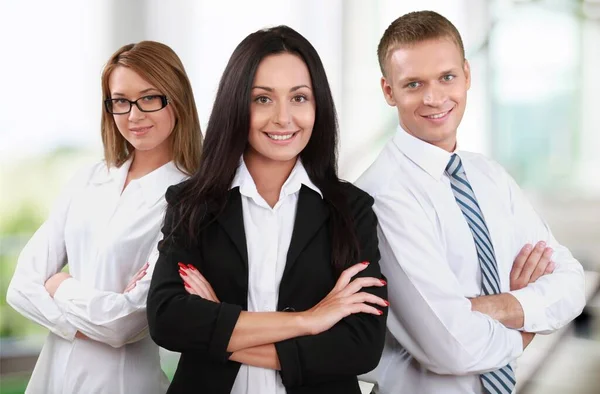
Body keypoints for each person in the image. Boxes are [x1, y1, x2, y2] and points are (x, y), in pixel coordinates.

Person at [146, 25, 388, 394]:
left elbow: (360, 346)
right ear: (236, 104)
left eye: (299, 98)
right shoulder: (191, 203)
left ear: (317, 106)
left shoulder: (351, 210)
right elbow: (168, 320)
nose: (282, 118)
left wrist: (222, 326)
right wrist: (310, 320)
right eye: (263, 99)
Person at [356, 10, 586, 394]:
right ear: (388, 91)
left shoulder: (488, 176)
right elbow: (453, 348)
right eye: (413, 83)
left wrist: (486, 307)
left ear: (467, 74)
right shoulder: (383, 196)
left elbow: (572, 285)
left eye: (446, 77)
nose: (434, 98)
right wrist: (526, 329)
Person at [7, 40, 203, 394]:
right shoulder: (88, 179)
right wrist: (93, 317)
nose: (134, 115)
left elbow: (126, 323)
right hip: (51, 380)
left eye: (149, 97)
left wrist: (59, 286)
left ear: (177, 99)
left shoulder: (188, 199)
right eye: (121, 101)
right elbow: (20, 287)